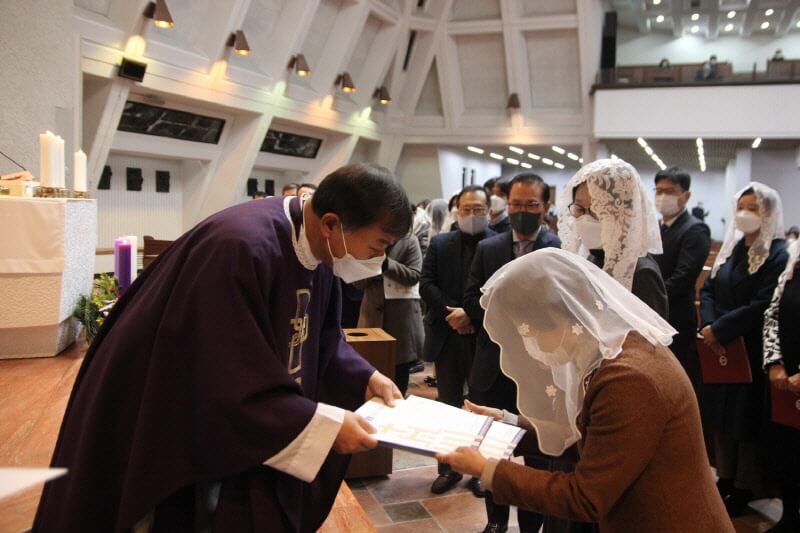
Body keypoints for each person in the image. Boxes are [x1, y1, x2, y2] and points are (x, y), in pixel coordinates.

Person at [33, 163, 411, 533]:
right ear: (331, 223)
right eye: (377, 245)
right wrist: (324, 426)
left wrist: (365, 377)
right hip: (162, 408)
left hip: (246, 424)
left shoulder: (322, 250)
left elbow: (323, 339)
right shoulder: (240, 248)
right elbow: (223, 380)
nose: (377, 259)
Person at [438, 247, 733, 532]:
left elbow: (586, 497)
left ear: (564, 318)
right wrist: (506, 424)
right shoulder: (611, 349)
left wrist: (488, 470)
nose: (531, 345)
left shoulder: (628, 379)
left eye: (530, 332)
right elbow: (589, 440)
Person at [464, 173, 561, 533]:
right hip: (493, 365)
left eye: (531, 204)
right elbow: (470, 298)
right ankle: (496, 521)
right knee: (494, 448)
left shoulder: (558, 250)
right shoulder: (488, 247)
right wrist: (505, 314)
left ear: (545, 207)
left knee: (537, 452)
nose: (522, 211)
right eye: (516, 204)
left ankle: (532, 525)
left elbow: (562, 306)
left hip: (540, 369)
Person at [699, 182, 788, 517]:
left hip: (748, 346)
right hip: (720, 346)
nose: (745, 214)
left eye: (753, 209)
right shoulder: (734, 248)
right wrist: (710, 325)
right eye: (741, 207)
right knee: (720, 417)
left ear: (768, 213)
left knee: (744, 420)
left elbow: (763, 303)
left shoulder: (777, 253)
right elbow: (709, 288)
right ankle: (725, 476)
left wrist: (721, 328)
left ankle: (744, 485)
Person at [420, 185, 495, 497]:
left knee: (482, 405)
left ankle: (480, 470)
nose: (472, 214)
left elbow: (501, 292)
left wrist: (471, 316)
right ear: (456, 210)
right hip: (447, 334)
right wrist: (453, 313)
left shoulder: (498, 244)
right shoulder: (440, 243)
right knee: (448, 405)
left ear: (489, 211)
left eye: (479, 209)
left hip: (484, 337)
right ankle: (448, 468)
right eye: (467, 209)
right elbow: (426, 283)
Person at [556, 158, 668, 318]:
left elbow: (648, 334)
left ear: (624, 214)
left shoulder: (642, 273)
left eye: (597, 210)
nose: (585, 219)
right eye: (579, 209)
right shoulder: (594, 256)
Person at [653, 167, 711, 376]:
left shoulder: (695, 229)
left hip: (675, 317)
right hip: (652, 316)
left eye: (670, 191)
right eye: (659, 191)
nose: (663, 196)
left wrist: (649, 297)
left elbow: (683, 277)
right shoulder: (656, 227)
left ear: (685, 196)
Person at [355, 232, 425, 396]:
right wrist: (371, 266)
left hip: (400, 321)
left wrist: (385, 263)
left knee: (398, 382)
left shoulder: (409, 240)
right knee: (368, 378)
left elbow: (414, 276)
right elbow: (357, 283)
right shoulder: (369, 239)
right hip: (372, 317)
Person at [762, 240, 800, 533]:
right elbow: (772, 313)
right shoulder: (795, 261)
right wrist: (775, 362)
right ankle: (790, 516)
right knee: (788, 451)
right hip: (785, 376)